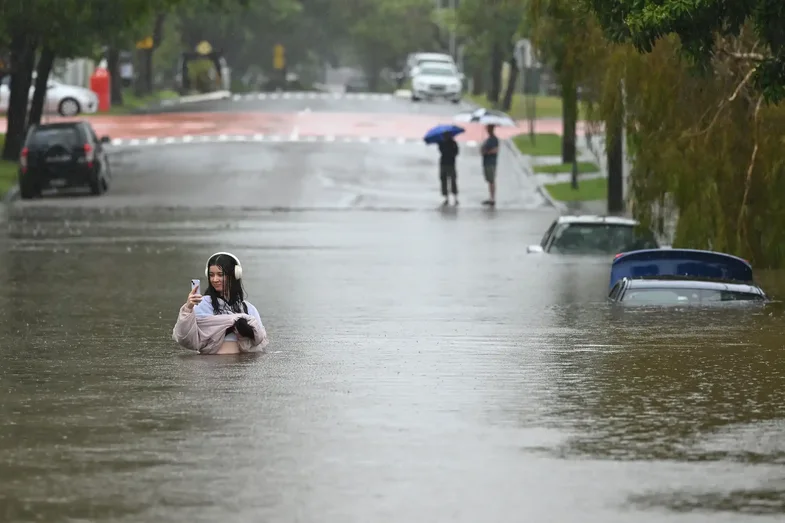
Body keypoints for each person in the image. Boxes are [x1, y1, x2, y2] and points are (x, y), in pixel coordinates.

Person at [172, 252, 269, 355]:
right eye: (211, 275)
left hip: (240, 367)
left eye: (220, 274)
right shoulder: (201, 305)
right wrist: (188, 308)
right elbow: (184, 337)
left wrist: (248, 331)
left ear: (234, 275)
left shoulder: (248, 309)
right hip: (210, 366)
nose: (215, 279)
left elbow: (260, 342)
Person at [438, 131, 459, 206]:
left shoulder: (453, 143)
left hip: (450, 164)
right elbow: (441, 150)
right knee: (444, 181)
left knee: (452, 181)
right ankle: (447, 198)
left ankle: (454, 197)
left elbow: (456, 152)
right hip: (445, 163)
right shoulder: (442, 143)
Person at [480, 124, 499, 207]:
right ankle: (490, 197)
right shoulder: (488, 139)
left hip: (491, 162)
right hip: (486, 162)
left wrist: (487, 152)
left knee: (491, 180)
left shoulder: (494, 139)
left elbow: (495, 150)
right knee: (489, 180)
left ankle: (492, 198)